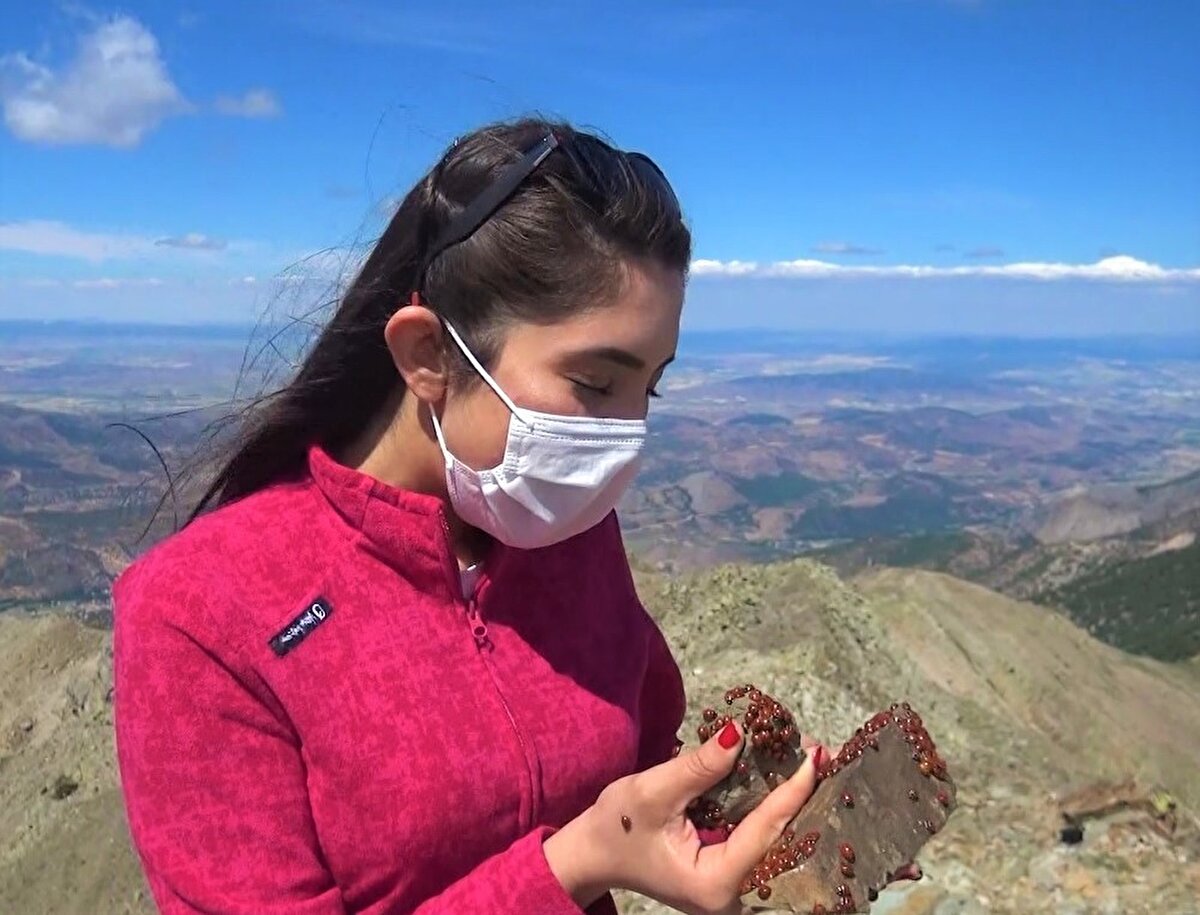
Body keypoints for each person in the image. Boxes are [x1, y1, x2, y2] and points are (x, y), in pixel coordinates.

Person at [112, 117, 822, 915]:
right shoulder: (198, 611)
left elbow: (646, 764)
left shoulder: (567, 528)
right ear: (428, 355)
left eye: (648, 388)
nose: (627, 435)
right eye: (595, 383)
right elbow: (596, 842)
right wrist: (571, 867)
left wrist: (759, 822)